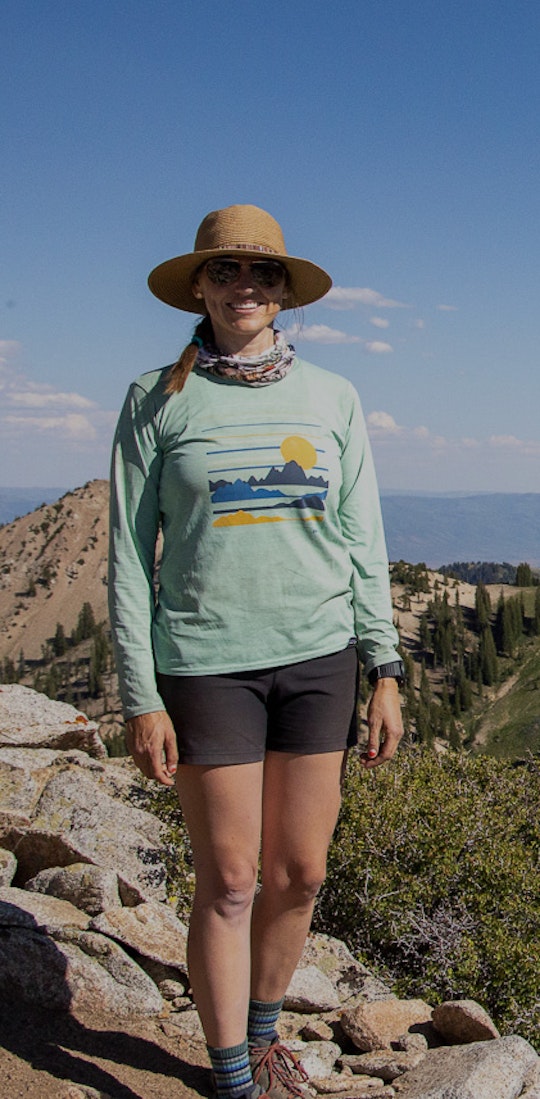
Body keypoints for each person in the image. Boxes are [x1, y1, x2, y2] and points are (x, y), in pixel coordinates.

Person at [108, 204, 404, 1099]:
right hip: (205, 663)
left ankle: (266, 1031)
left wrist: (385, 668)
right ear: (198, 286)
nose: (247, 287)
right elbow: (127, 550)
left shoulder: (334, 397)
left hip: (321, 657)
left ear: (284, 294)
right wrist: (138, 692)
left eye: (264, 274)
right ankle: (232, 1073)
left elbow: (363, 536)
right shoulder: (156, 398)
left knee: (301, 873)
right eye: (228, 272)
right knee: (232, 876)